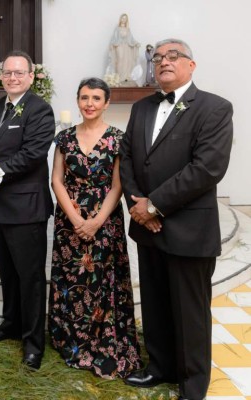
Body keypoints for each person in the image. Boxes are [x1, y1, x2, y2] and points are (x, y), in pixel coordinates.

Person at [120, 39, 233, 400]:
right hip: (148, 228)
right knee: (154, 303)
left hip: (189, 228)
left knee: (190, 313)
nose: (163, 62)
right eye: (158, 58)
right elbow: (127, 160)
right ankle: (160, 367)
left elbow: (207, 168)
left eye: (173, 56)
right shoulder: (140, 109)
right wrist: (138, 206)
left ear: (191, 65)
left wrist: (153, 205)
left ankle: (193, 385)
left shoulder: (214, 108)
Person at [47, 77, 142, 379]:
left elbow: (118, 184)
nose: (89, 104)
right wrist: (76, 220)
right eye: (84, 97)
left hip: (105, 220)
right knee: (72, 280)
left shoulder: (117, 138)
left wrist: (96, 221)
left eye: (96, 98)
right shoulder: (64, 138)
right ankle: (72, 340)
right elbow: (56, 180)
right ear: (77, 101)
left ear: (106, 103)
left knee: (102, 282)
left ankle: (103, 341)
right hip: (69, 221)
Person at [0, 50, 55, 370]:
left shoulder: (40, 109)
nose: (12, 77)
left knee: (29, 278)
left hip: (27, 207)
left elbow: (32, 154)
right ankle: (11, 323)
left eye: (18, 73)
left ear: (31, 76)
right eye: (7, 73)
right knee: (9, 273)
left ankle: (33, 342)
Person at [106, 13, 140, 84]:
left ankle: (126, 77)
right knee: (120, 60)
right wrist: (112, 44)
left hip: (127, 47)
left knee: (127, 61)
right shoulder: (117, 29)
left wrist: (136, 43)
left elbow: (131, 39)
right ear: (120, 19)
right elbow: (114, 39)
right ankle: (119, 77)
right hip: (119, 46)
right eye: (122, 18)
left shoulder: (128, 29)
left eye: (125, 19)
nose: (124, 20)